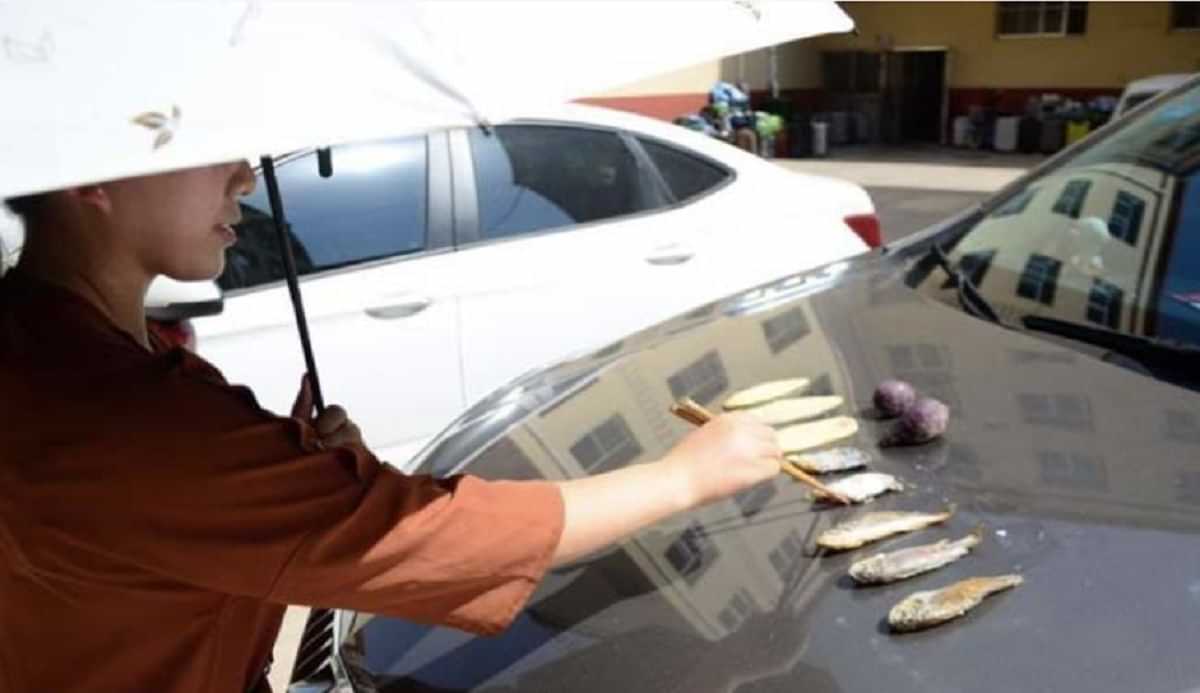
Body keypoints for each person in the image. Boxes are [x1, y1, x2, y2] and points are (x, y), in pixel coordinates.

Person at [0, 161, 785, 692]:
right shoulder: (120, 419)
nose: (245, 175)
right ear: (95, 176)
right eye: (210, 151)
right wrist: (685, 475)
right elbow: (432, 539)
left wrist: (301, 481)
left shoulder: (49, 345)